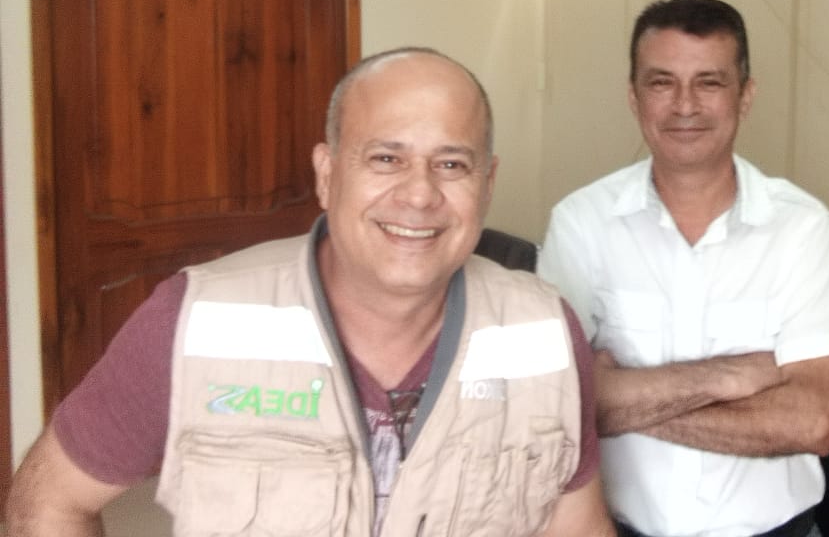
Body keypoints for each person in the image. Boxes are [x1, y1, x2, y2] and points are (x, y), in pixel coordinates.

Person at [7, 47, 615, 537]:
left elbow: (576, 525)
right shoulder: (195, 319)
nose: (419, 194)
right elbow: (49, 502)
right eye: (386, 159)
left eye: (452, 164)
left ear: (487, 182)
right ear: (327, 174)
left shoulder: (542, 328)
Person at [539, 0, 829, 537]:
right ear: (634, 96)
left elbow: (812, 422)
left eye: (709, 82)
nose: (685, 105)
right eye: (662, 83)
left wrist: (617, 399)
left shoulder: (802, 227)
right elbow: (550, 407)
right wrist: (728, 378)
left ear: (745, 95)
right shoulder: (581, 222)